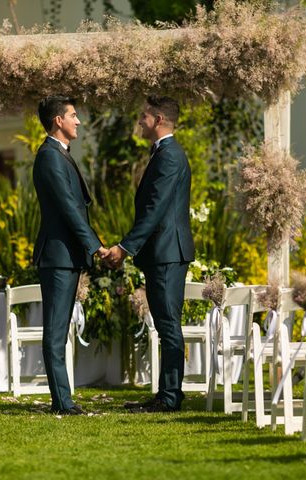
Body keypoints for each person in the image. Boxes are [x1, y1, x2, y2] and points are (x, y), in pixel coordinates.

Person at [105, 95, 195, 412]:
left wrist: (125, 247)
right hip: (162, 252)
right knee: (164, 322)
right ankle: (164, 393)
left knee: (169, 324)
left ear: (158, 120)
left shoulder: (169, 156)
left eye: (144, 116)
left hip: (168, 252)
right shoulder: (162, 153)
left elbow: (155, 209)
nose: (140, 121)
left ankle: (170, 397)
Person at [32, 95, 108, 415]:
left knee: (60, 330)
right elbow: (68, 209)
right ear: (57, 121)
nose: (79, 121)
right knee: (55, 331)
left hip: (67, 256)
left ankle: (63, 400)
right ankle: (62, 402)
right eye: (73, 115)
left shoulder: (59, 154)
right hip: (58, 256)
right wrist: (97, 246)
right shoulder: (49, 156)